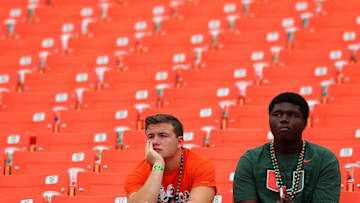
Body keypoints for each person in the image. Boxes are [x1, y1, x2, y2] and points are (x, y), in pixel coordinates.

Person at [233, 92, 341, 203]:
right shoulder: (250, 160)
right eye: (277, 114)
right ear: (269, 119)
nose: (284, 119)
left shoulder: (325, 160)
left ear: (305, 123)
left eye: (293, 115)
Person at [125, 114, 216, 203]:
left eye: (163, 135)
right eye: (151, 137)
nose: (155, 142)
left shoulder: (200, 165)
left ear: (179, 142)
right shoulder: (138, 174)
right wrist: (158, 164)